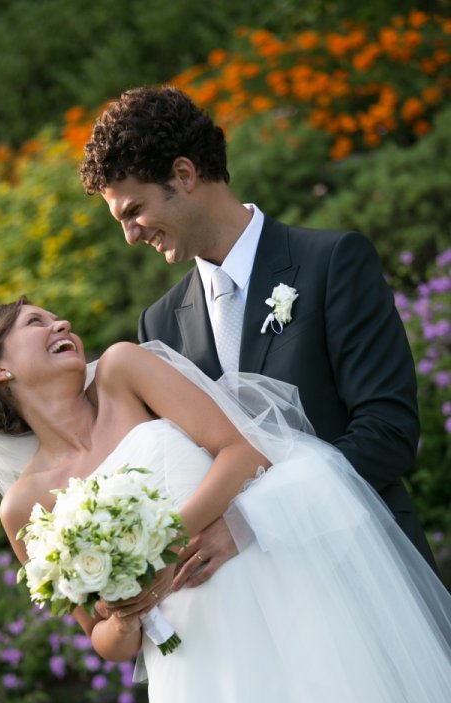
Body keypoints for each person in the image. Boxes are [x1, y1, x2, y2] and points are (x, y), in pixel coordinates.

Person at [0, 296, 451, 703]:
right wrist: (127, 613)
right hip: (195, 669)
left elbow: (243, 452)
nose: (63, 323)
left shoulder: (122, 370)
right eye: (36, 324)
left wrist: (158, 548)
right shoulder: (24, 505)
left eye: (60, 316)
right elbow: (104, 641)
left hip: (277, 602)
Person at [79, 84, 439, 593]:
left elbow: (389, 433)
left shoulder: (333, 264)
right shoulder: (158, 327)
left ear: (183, 175)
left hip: (370, 578)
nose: (131, 235)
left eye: (133, 210)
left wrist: (257, 523)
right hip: (252, 609)